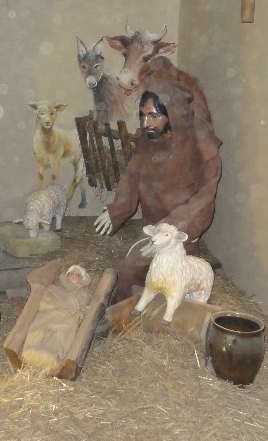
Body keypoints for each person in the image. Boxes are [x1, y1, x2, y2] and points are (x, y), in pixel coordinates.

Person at [95, 79, 222, 304]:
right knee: (132, 274)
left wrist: (172, 231)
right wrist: (117, 209)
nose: (146, 123)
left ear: (173, 114)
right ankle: (123, 314)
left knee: (168, 280)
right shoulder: (149, 139)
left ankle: (152, 312)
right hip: (153, 228)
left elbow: (205, 197)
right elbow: (132, 175)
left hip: (180, 231)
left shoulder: (201, 145)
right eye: (142, 116)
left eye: (153, 115)